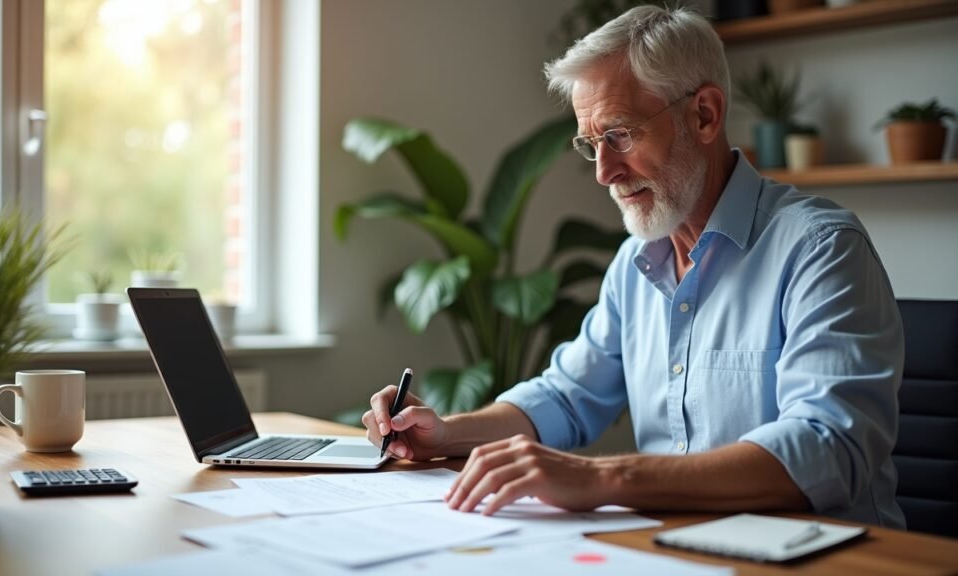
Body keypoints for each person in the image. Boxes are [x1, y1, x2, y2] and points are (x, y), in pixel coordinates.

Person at [362, 5, 905, 529]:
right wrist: (445, 433)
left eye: (619, 134)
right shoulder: (636, 263)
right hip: (678, 548)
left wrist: (604, 477)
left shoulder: (821, 249)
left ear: (704, 115)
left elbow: (827, 448)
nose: (604, 172)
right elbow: (566, 398)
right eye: (591, 143)